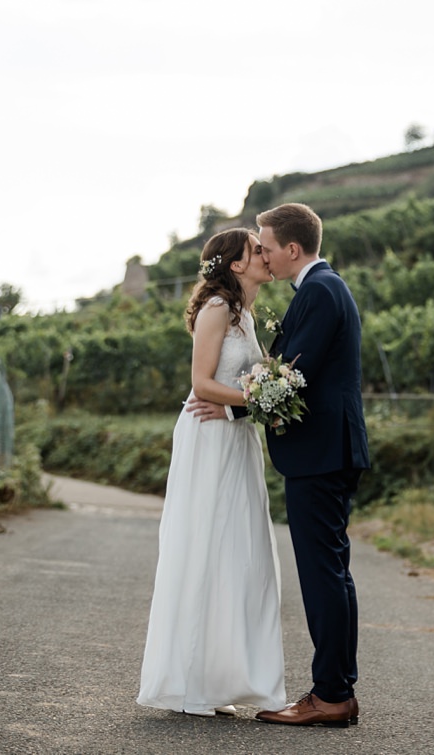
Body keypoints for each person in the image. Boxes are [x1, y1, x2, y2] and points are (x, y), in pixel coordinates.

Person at [189, 203, 371, 727]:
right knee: (330, 572)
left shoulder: (318, 291)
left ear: (293, 249)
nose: (263, 254)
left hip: (321, 454)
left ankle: (332, 694)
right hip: (326, 451)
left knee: (323, 576)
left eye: (266, 245)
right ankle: (335, 689)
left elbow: (294, 377)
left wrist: (229, 405)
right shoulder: (321, 289)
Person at [136, 227, 293, 718]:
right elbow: (201, 384)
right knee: (206, 545)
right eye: (255, 250)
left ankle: (217, 679)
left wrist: (260, 399)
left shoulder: (246, 314)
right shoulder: (217, 310)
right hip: (208, 438)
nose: (265, 255)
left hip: (236, 438)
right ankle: (191, 683)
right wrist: (262, 397)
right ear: (235, 264)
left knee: (239, 551)